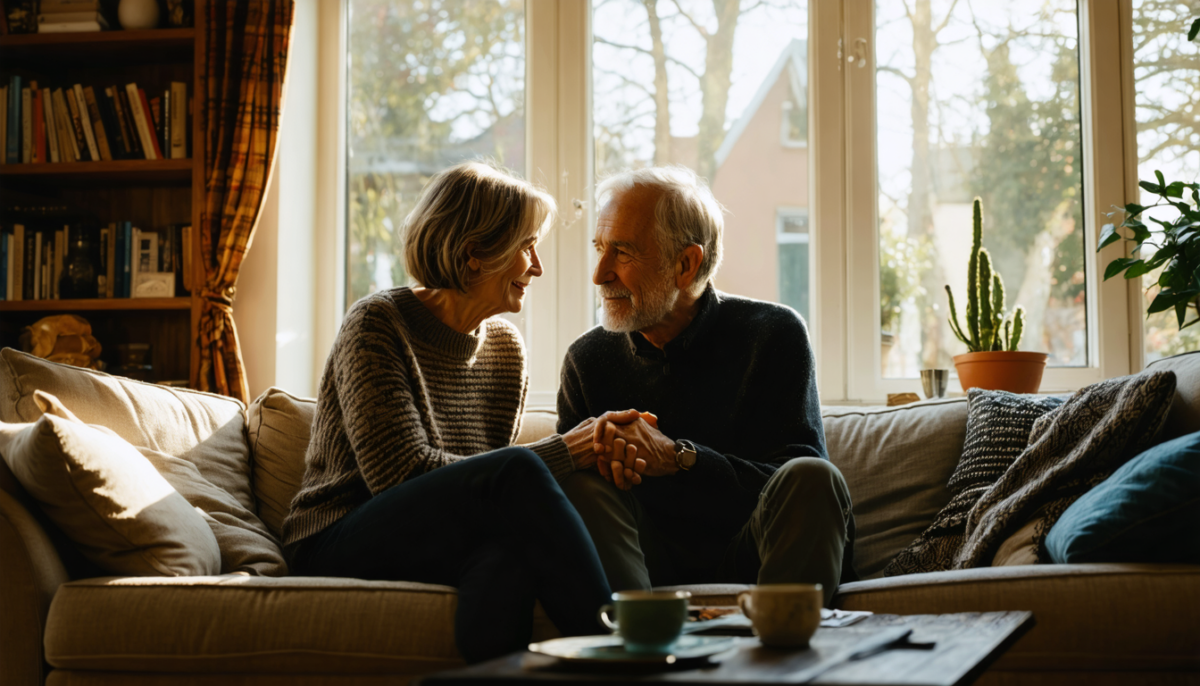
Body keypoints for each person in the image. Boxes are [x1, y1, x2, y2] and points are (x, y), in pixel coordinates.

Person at [282, 161, 613, 663]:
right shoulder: (376, 323)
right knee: (516, 470)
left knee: (509, 555)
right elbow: (401, 476)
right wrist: (564, 453)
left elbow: (481, 499)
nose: (537, 266)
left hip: (432, 538)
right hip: (336, 537)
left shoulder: (505, 350)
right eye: (527, 246)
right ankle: (623, 652)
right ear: (475, 252)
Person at [557, 166, 857, 605]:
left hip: (756, 555)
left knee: (812, 477)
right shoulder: (587, 360)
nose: (599, 274)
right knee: (581, 484)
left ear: (685, 263)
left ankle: (782, 657)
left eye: (621, 252)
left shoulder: (773, 334)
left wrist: (680, 459)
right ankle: (635, 650)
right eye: (599, 248)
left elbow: (796, 489)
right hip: (643, 566)